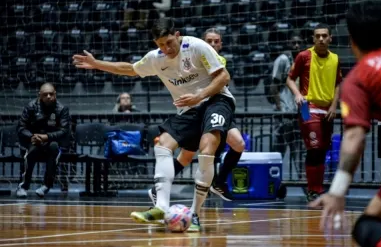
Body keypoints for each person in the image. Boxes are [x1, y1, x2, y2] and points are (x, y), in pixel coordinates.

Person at [73, 18, 235, 232]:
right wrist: (96, 64)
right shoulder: (156, 59)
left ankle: (194, 214)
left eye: (169, 42)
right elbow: (130, 69)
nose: (166, 48)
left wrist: (199, 96)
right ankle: (160, 207)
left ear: (177, 35)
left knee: (207, 147)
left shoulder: (196, 46)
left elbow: (224, 76)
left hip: (216, 99)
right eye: (160, 45)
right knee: (163, 144)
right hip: (189, 109)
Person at [310, 1, 381, 247]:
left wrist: (337, 192)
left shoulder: (360, 77)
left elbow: (354, 137)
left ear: (351, 39)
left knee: (369, 227)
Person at [147, 27, 245, 203]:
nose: (213, 44)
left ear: (221, 44)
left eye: (216, 41)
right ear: (203, 42)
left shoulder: (218, 59)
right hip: (198, 109)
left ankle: (218, 182)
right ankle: (158, 190)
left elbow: (222, 79)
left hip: (217, 106)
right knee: (187, 155)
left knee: (237, 143)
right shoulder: (196, 53)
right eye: (209, 41)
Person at [286, 23, 342, 202]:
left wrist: (334, 106)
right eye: (317, 36)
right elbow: (289, 78)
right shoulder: (304, 56)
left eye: (324, 36)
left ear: (330, 38)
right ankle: (312, 189)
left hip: (328, 110)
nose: (321, 39)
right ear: (313, 38)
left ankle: (317, 189)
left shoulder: (335, 59)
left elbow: (338, 84)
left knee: (323, 150)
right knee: (315, 148)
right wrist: (297, 95)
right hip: (308, 108)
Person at [16, 83, 71, 198]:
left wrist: (47, 137)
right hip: (34, 140)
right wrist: (32, 137)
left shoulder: (62, 109)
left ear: (55, 94)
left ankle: (46, 185)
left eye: (51, 94)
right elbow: (21, 127)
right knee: (30, 152)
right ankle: (23, 186)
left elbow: (64, 131)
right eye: (45, 94)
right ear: (39, 95)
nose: (49, 96)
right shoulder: (31, 106)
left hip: (52, 142)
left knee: (55, 148)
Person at [270, 36, 302, 178]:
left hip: (298, 114)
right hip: (284, 114)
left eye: (299, 43)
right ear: (288, 43)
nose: (296, 45)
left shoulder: (305, 61)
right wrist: (280, 107)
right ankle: (270, 184)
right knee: (278, 153)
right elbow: (273, 86)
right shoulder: (282, 60)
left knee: (300, 153)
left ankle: (307, 189)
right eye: (293, 42)